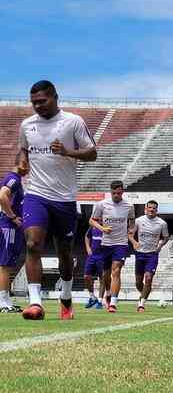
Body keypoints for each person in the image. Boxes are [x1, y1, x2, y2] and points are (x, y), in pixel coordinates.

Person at [19, 80, 97, 320]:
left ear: (55, 97)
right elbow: (23, 150)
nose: (38, 106)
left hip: (64, 198)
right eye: (34, 103)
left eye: (42, 101)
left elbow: (92, 152)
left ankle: (65, 296)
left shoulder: (72, 121)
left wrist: (67, 151)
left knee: (64, 253)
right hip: (35, 193)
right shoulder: (26, 125)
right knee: (32, 244)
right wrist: (21, 162)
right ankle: (35, 303)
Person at [89, 180, 135, 313]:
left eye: (119, 193)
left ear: (123, 192)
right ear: (110, 192)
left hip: (120, 243)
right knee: (106, 274)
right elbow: (91, 220)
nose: (116, 195)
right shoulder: (102, 204)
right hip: (106, 244)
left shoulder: (129, 206)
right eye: (114, 193)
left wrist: (131, 229)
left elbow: (132, 220)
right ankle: (108, 293)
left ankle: (113, 302)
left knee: (116, 271)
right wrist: (102, 228)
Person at [0, 155, 29, 312]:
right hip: (8, 226)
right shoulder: (14, 179)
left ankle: (5, 300)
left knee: (8, 264)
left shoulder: (14, 179)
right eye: (29, 166)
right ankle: (3, 302)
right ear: (23, 164)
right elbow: (2, 195)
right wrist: (12, 216)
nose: (30, 170)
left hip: (9, 226)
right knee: (5, 264)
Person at [130, 200, 169, 312]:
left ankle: (141, 304)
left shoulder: (162, 223)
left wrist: (160, 245)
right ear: (145, 209)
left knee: (148, 278)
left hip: (152, 254)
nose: (151, 210)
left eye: (154, 208)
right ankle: (143, 294)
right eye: (150, 208)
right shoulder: (138, 221)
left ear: (157, 210)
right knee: (138, 282)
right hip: (139, 254)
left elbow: (166, 237)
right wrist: (134, 242)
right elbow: (130, 234)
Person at [83, 226, 105, 309]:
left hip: (103, 256)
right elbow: (86, 236)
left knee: (102, 278)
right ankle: (92, 297)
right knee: (86, 276)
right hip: (92, 256)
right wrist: (88, 248)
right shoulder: (93, 226)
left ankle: (100, 301)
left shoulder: (107, 226)